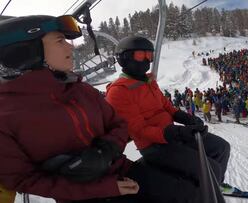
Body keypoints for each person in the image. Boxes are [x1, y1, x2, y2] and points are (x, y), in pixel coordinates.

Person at [0, 15, 197, 203]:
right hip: (82, 195)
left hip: (124, 170)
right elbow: (22, 179)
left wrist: (107, 149)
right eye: (60, 41)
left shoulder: (81, 90)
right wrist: (104, 187)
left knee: (189, 195)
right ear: (27, 52)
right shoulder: (6, 115)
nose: (69, 46)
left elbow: (118, 124)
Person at [106, 36, 230, 189]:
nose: (146, 60)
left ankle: (213, 185)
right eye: (141, 55)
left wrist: (185, 118)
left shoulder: (148, 81)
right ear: (124, 58)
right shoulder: (119, 91)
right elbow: (139, 130)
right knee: (211, 169)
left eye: (149, 55)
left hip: (172, 136)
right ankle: (203, 189)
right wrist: (176, 132)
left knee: (221, 147)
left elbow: (166, 106)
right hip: (154, 146)